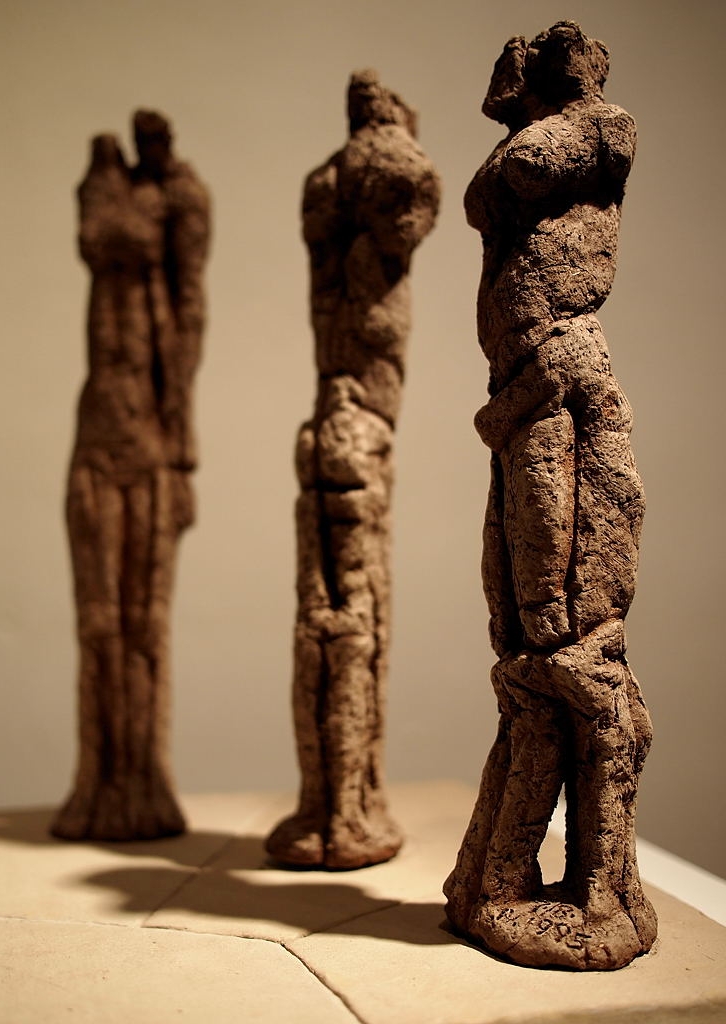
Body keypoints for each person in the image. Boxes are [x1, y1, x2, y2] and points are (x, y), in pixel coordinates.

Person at [444, 23, 657, 969]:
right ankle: (496, 877)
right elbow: (482, 195)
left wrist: (538, 90)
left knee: (568, 634)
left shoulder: (600, 128)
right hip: (523, 397)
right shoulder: (537, 144)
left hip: (559, 398)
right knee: (525, 643)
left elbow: (515, 173)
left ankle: (601, 891)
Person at [266, 72, 440, 868]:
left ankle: (340, 806)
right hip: (357, 413)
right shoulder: (372, 177)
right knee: (338, 626)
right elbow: (411, 202)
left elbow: (407, 211)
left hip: (342, 411)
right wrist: (397, 136)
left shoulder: (325, 186)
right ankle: (341, 808)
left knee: (337, 624)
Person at [52, 112, 209, 841]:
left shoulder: (179, 204)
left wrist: (181, 451)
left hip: (148, 441)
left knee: (144, 621)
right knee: (98, 621)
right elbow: (97, 234)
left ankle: (141, 780)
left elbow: (189, 313)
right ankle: (99, 781)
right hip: (99, 435)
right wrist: (110, 165)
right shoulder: (108, 183)